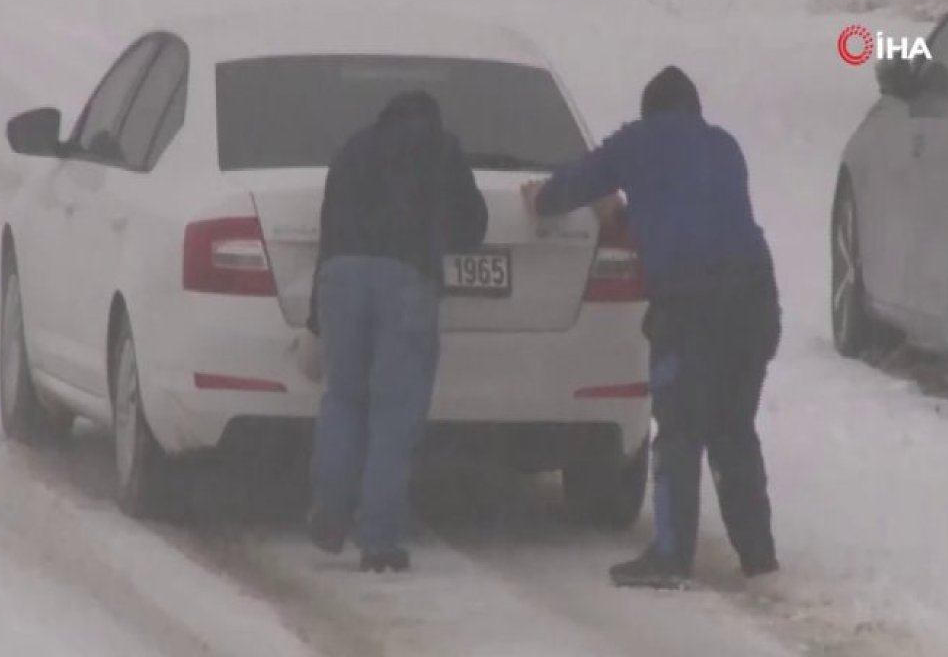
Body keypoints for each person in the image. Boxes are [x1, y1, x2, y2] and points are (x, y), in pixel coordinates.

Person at [521, 67, 781, 589]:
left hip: (691, 300)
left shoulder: (637, 143)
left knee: (680, 430)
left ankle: (670, 555)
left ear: (649, 110)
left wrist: (539, 198)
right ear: (694, 107)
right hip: (755, 295)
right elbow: (692, 211)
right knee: (734, 430)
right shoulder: (724, 145)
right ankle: (758, 558)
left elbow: (571, 186)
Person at [305, 90, 488, 573]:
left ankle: (328, 516)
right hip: (406, 279)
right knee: (393, 414)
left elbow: (327, 234)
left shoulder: (351, 148)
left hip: (339, 279)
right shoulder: (442, 148)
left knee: (342, 399)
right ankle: (379, 542)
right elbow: (475, 226)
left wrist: (313, 322)